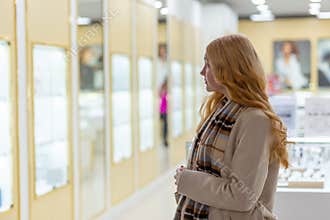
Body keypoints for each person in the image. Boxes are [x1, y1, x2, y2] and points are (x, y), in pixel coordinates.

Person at [173, 34, 288, 220]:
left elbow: (242, 196)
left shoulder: (255, 121)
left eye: (208, 64)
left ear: (227, 69)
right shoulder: (220, 110)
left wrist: (187, 181)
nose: (202, 72)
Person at [159, 78, 168, 147]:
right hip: (162, 111)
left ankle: (165, 140)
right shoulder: (163, 91)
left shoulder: (166, 91)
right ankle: (163, 140)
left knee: (165, 127)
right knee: (164, 126)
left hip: (165, 111)